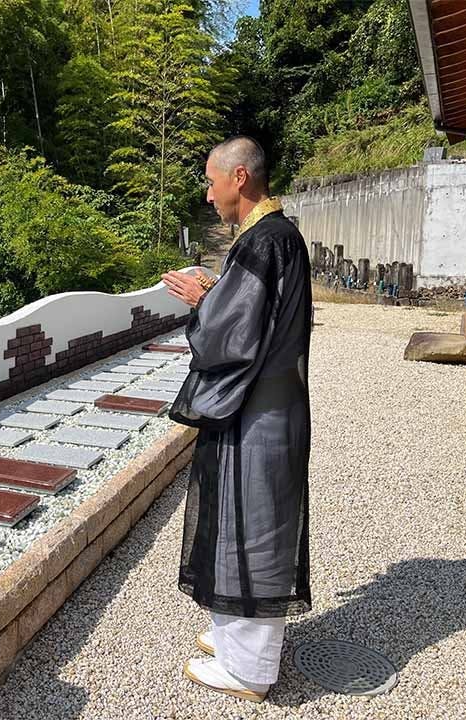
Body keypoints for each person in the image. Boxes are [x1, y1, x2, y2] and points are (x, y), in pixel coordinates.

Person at [161, 136, 312, 703]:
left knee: (253, 521)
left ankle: (249, 670)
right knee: (240, 512)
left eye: (212, 180)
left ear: (240, 177)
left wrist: (203, 299)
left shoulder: (264, 241)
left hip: (259, 410)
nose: (209, 191)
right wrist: (214, 294)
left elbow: (230, 333)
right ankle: (233, 635)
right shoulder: (276, 235)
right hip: (269, 400)